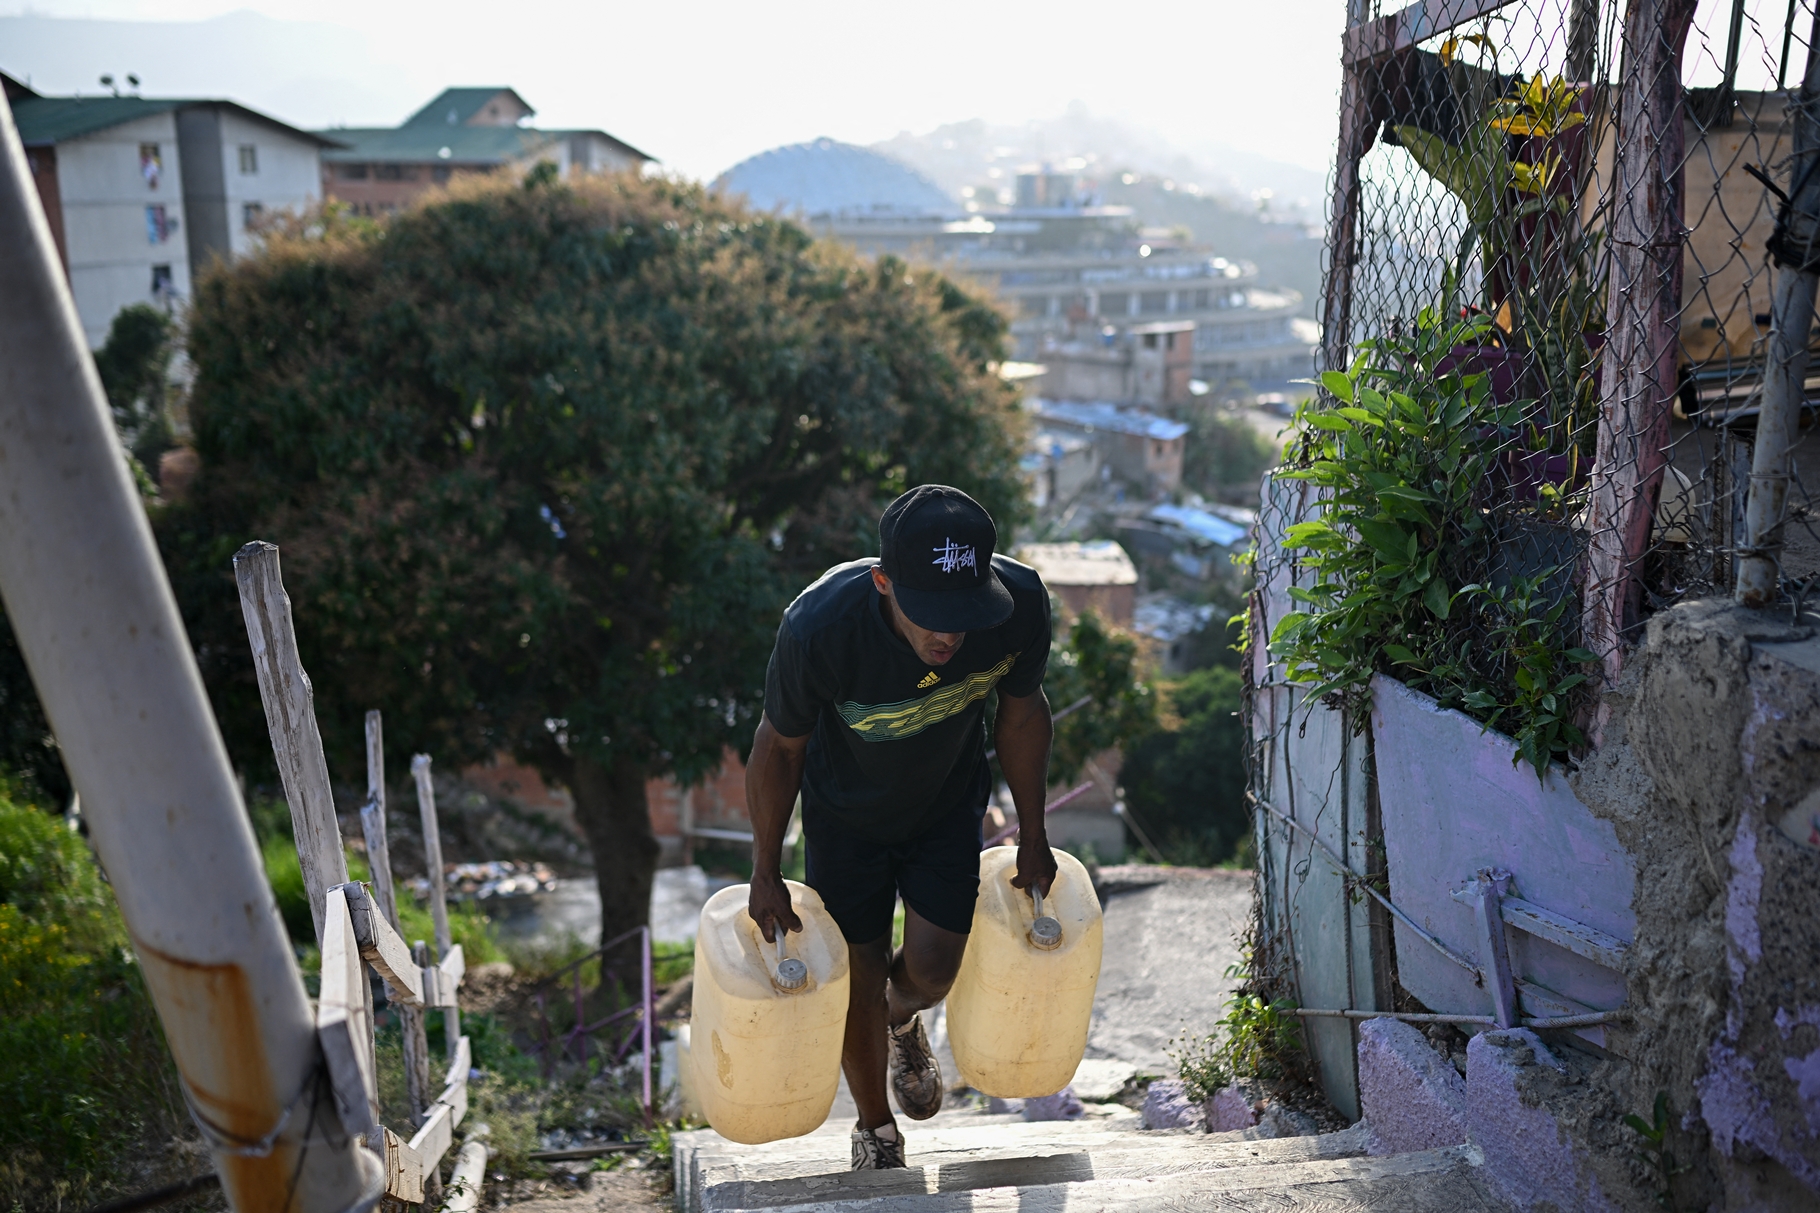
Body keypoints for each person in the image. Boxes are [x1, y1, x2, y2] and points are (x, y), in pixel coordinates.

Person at [745, 484, 1057, 1169]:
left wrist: (1032, 835)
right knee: (856, 977)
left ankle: (899, 1017)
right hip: (844, 817)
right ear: (883, 583)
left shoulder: (1021, 605)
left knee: (933, 971)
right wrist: (764, 869)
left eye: (965, 613)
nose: (949, 635)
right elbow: (779, 748)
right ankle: (876, 1133)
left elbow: (1022, 715)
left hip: (945, 803)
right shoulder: (819, 628)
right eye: (932, 616)